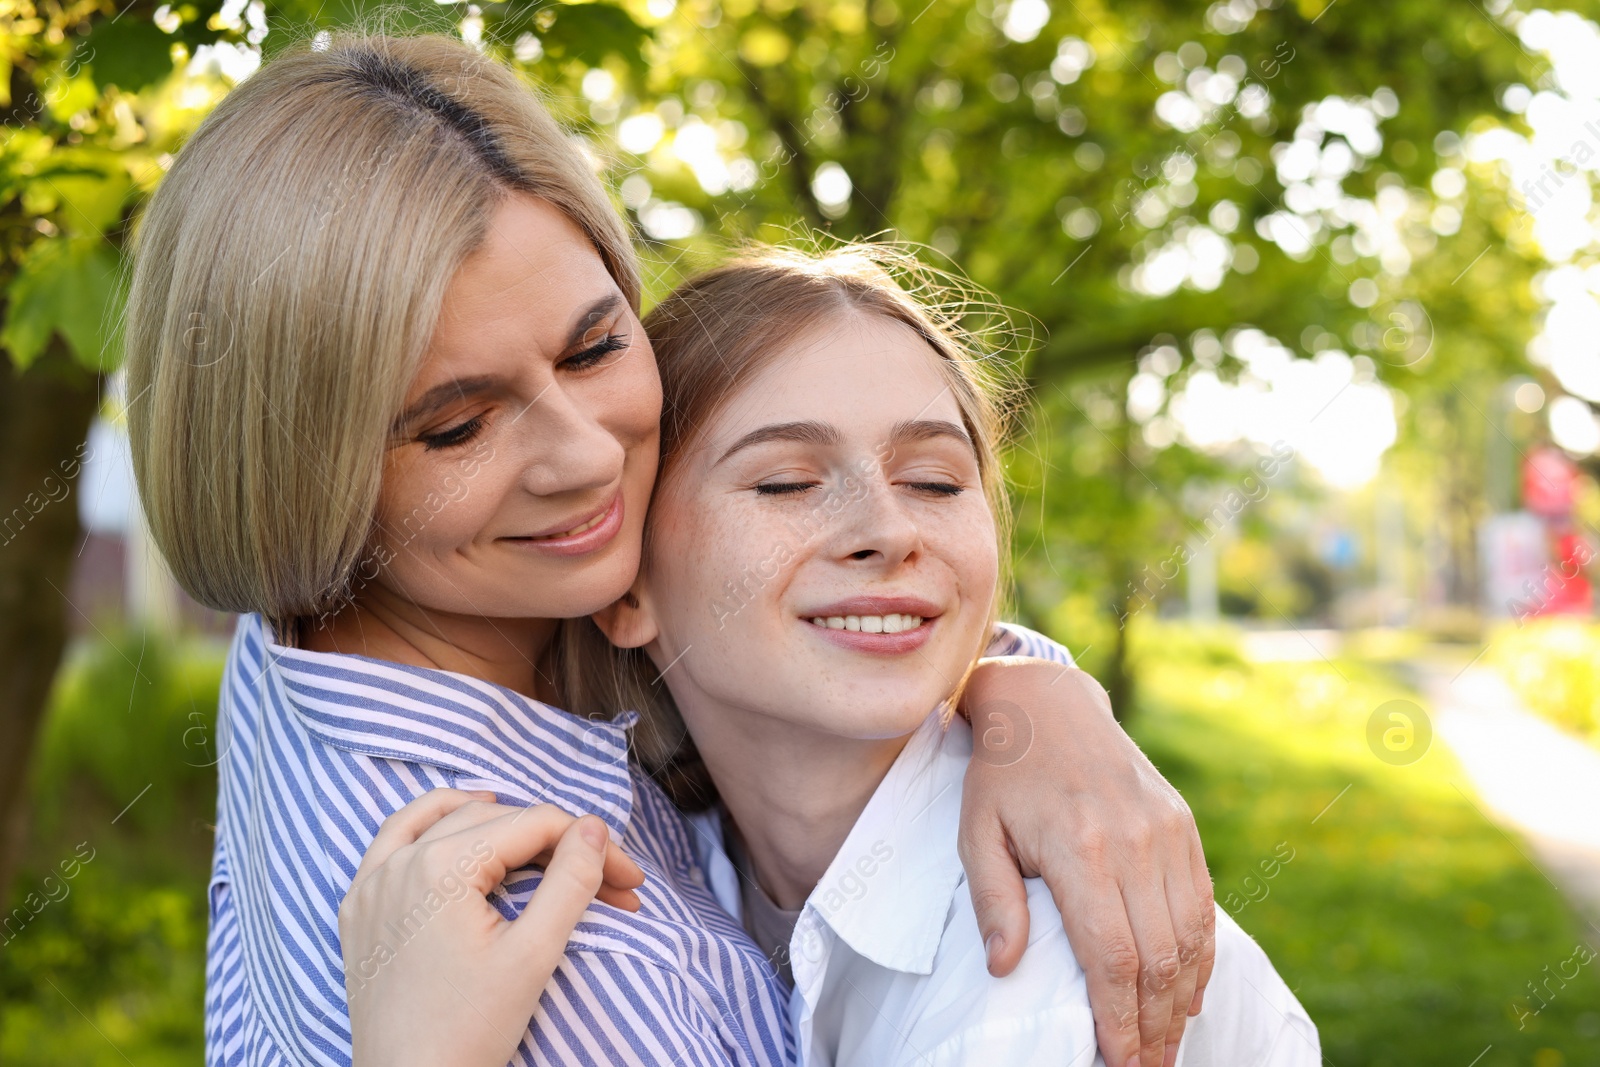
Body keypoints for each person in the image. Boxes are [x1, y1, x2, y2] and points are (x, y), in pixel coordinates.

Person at [125, 30, 1215, 1067]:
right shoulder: (561, 944)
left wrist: (1027, 693)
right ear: (290, 471)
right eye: (457, 424)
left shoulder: (313, 647)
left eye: (596, 344)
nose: (584, 454)